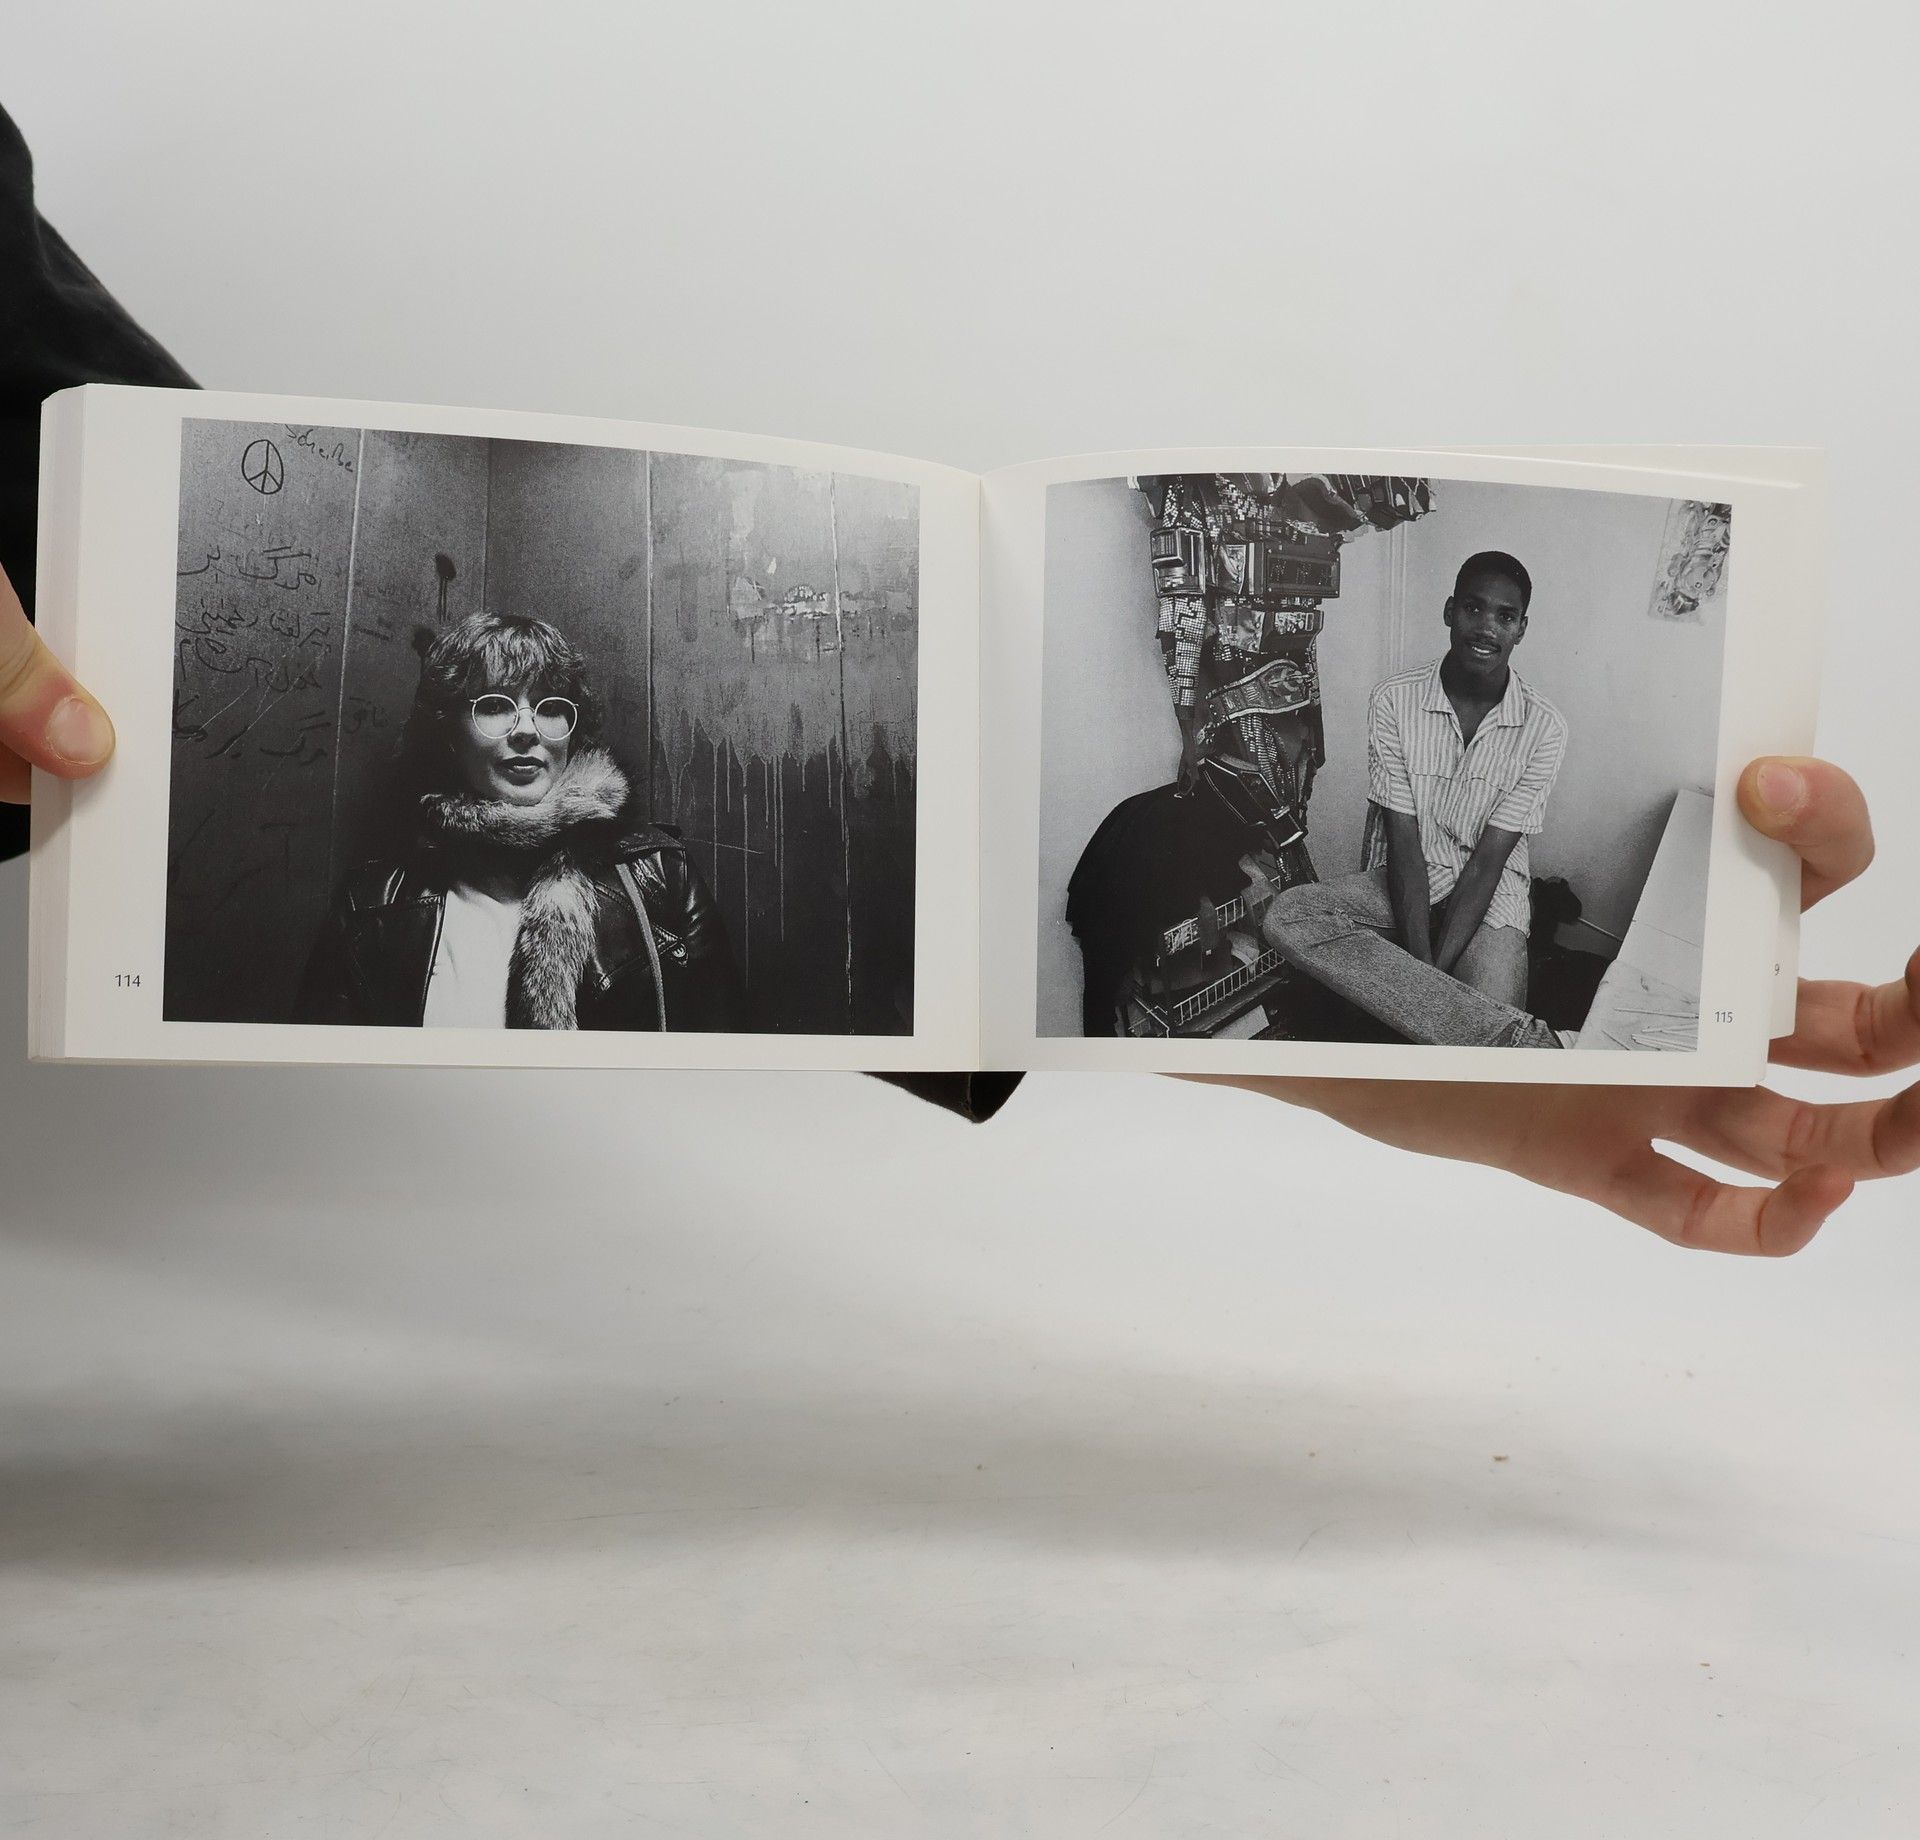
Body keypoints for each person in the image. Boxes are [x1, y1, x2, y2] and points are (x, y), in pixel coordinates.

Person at [2, 102, 1915, 1253]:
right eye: (485, 707)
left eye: (545, 708)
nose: (515, 734)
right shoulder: (382, 895)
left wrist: (1382, 1035)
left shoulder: (655, 886)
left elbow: (61, 435)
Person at [292, 612, 741, 1031]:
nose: (527, 730)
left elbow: (721, 1064)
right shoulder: (372, 905)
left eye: (549, 706)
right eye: (495, 705)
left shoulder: (661, 875)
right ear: (450, 733)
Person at [1262, 548, 1567, 1048]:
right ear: (1449, 611)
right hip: (1406, 878)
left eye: (1505, 616)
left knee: (1492, 1056)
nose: (1486, 628)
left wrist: (1423, 983)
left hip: (1491, 895)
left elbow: (1488, 863)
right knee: (1288, 915)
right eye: (1473, 608)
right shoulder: (1393, 699)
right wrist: (1426, 979)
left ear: (1521, 629)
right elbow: (1403, 842)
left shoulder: (1545, 727)